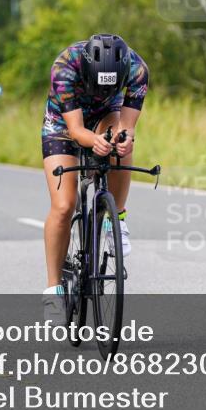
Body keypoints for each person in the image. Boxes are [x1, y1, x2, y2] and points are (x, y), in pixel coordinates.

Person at [40, 34, 148, 319]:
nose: (103, 89)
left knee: (120, 143)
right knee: (64, 205)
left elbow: (128, 124)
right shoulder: (65, 67)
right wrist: (92, 141)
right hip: (63, 123)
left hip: (106, 114)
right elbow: (76, 132)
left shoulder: (137, 69)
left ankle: (117, 218)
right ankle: (53, 291)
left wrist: (123, 138)